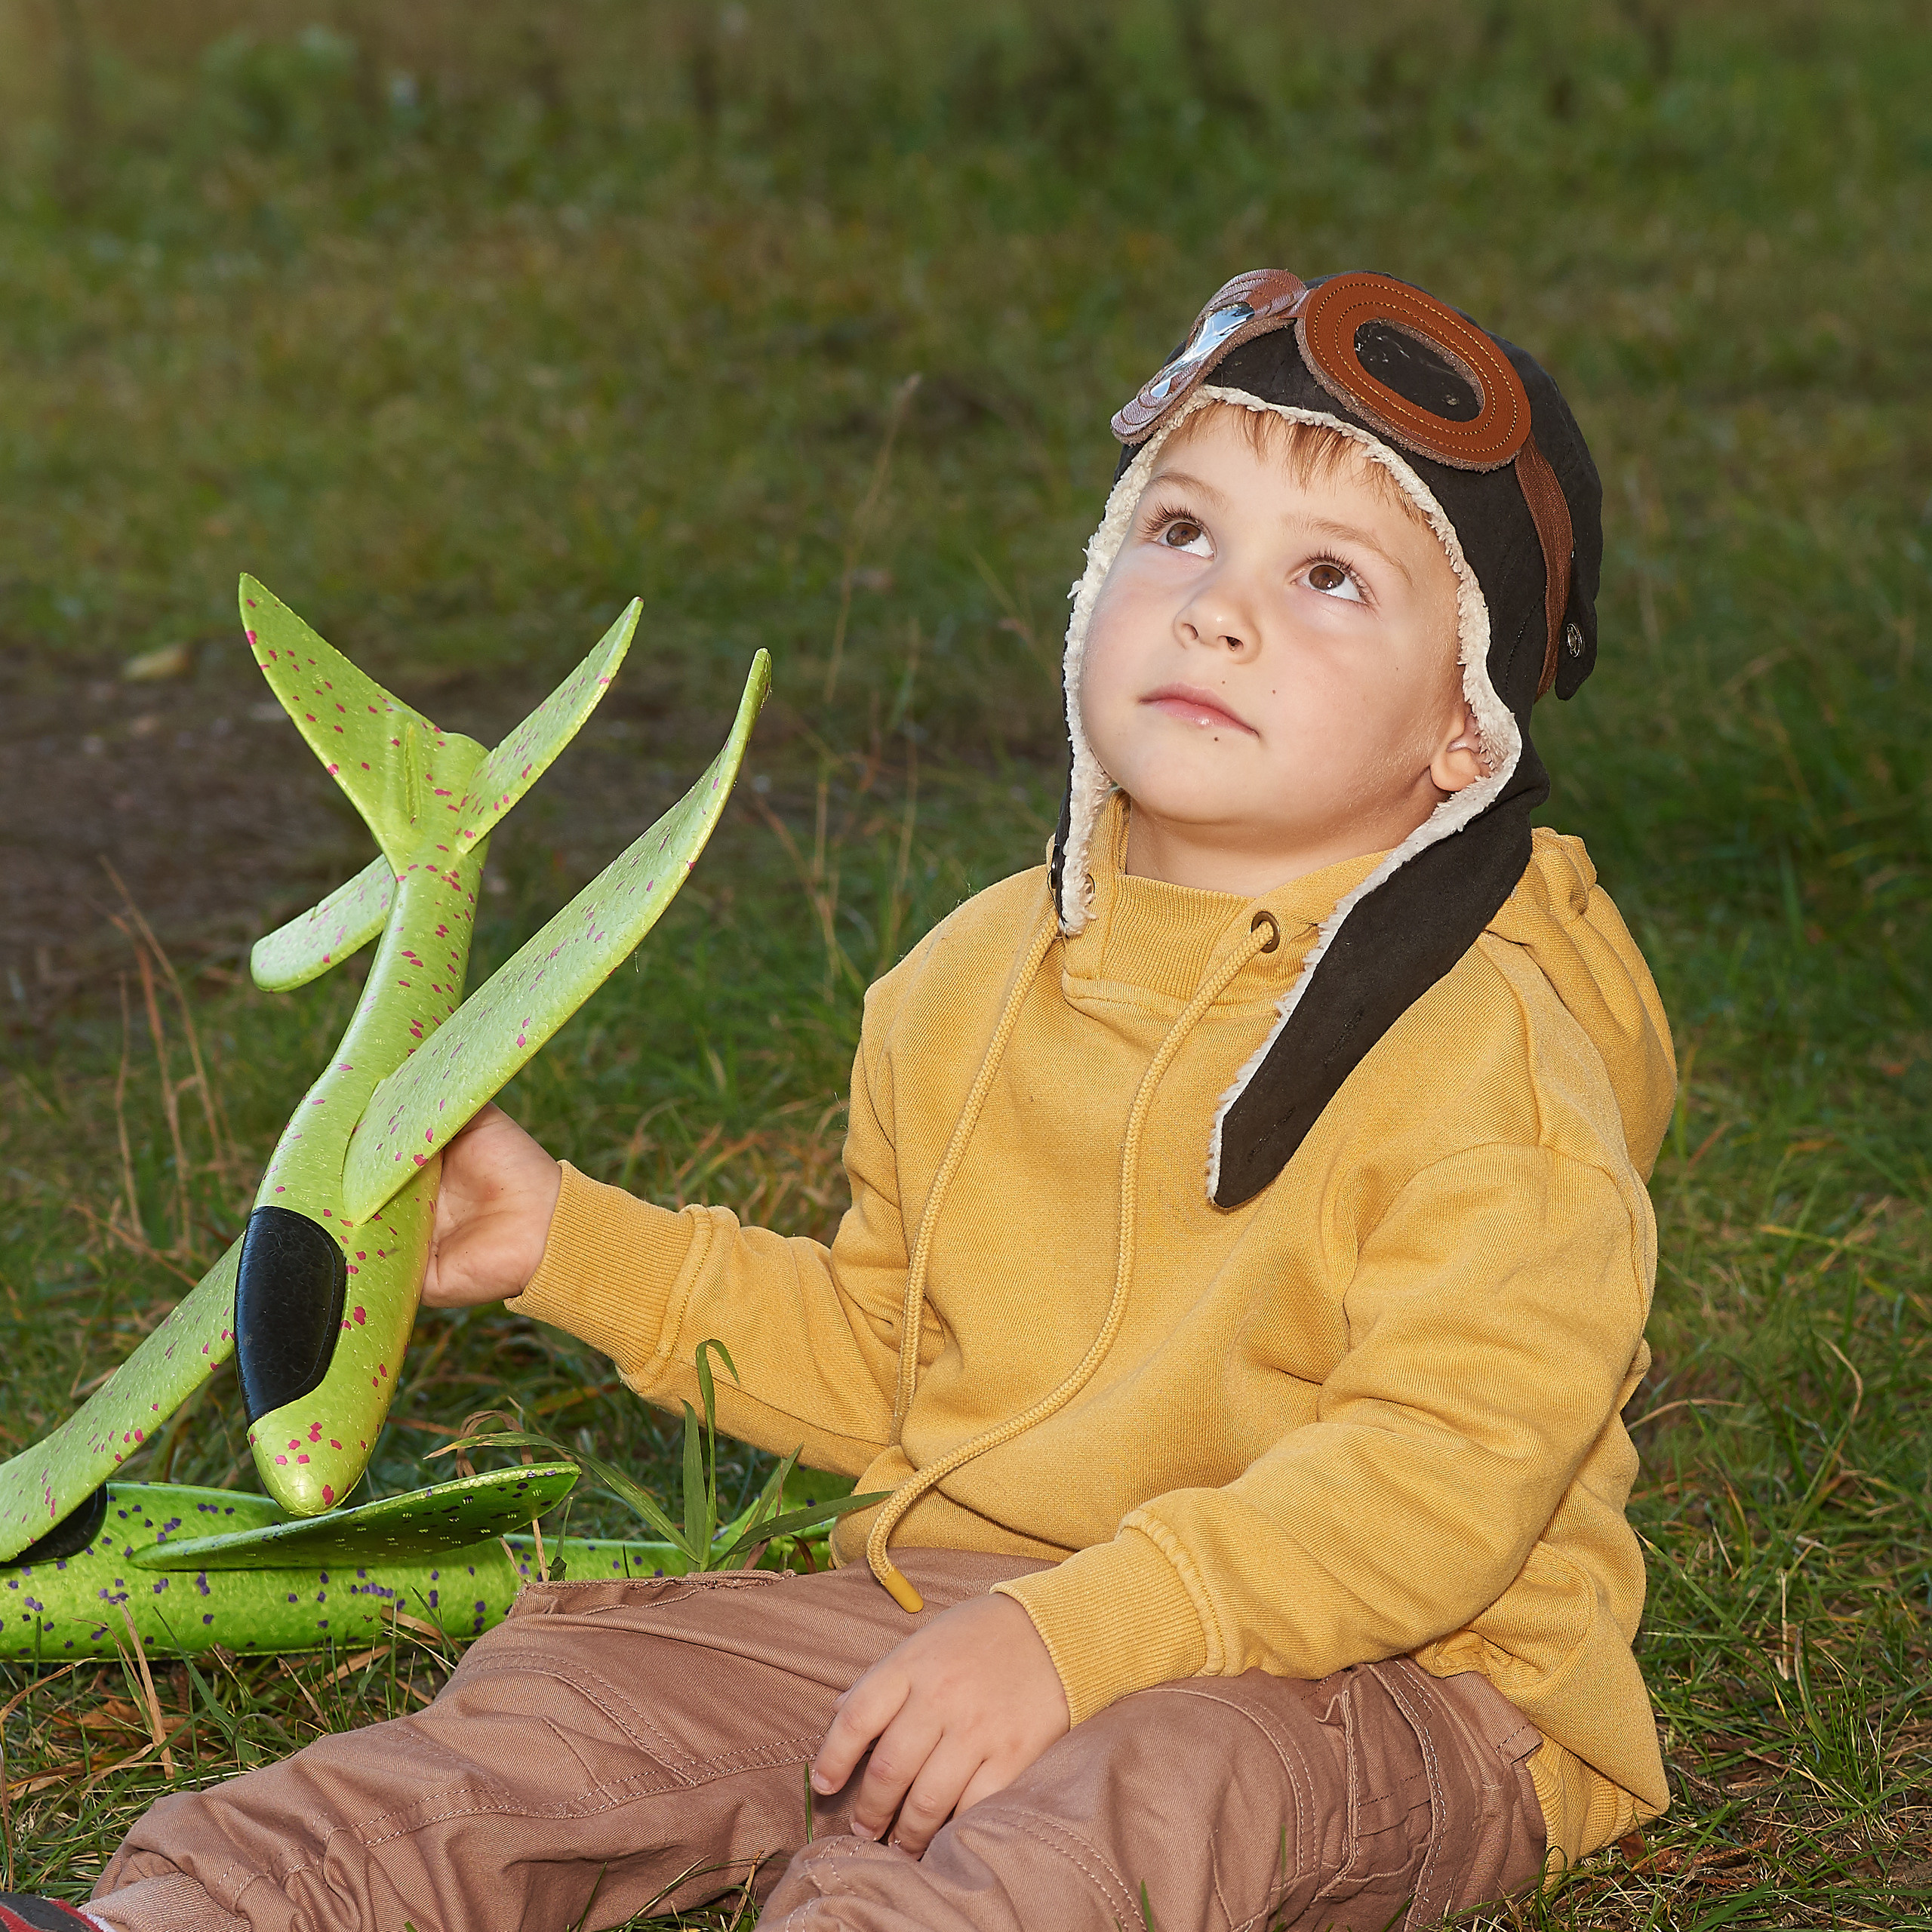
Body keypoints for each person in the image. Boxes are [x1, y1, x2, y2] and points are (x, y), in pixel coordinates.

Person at [17, 269, 1675, 1932]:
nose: (1218, 608)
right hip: (965, 1587)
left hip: (1398, 1680)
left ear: (1460, 735)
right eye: (1177, 531)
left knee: (1125, 1801)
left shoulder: (1490, 1054)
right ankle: (187, 1914)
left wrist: (1079, 1635)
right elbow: (895, 1350)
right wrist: (564, 1241)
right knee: (589, 1700)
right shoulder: (968, 978)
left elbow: (1442, 1473)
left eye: (1329, 578)